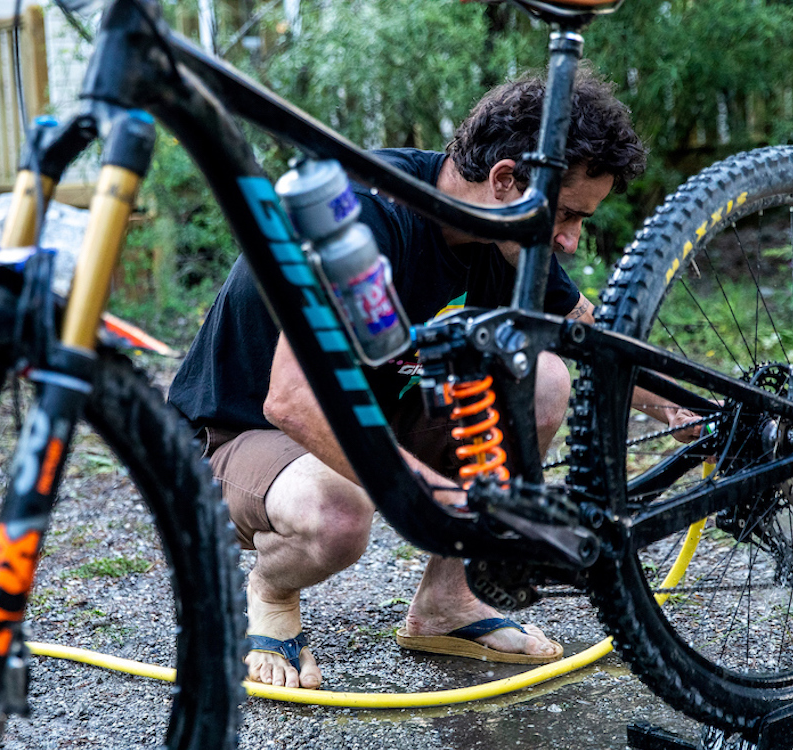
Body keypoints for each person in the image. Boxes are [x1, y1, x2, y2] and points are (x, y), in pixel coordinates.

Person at [170, 68, 697, 689]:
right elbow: (291, 400)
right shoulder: (360, 214)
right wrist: (425, 491)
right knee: (339, 512)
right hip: (241, 434)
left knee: (545, 378)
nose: (572, 242)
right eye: (569, 216)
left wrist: (685, 411)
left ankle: (449, 600)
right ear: (506, 181)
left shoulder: (505, 241)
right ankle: (272, 591)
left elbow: (594, 340)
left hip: (372, 412)